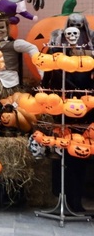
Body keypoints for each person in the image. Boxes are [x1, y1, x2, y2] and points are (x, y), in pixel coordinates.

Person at [42, 15, 94, 213]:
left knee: (79, 154)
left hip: (84, 110)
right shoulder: (56, 51)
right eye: (71, 28)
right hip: (60, 107)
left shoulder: (90, 54)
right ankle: (59, 197)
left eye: (79, 28)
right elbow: (48, 74)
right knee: (59, 151)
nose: (75, 32)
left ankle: (75, 199)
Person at [0, 9, 40, 101]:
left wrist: (42, 71)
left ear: (7, 28)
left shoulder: (16, 44)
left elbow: (32, 48)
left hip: (10, 84)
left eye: (1, 27)